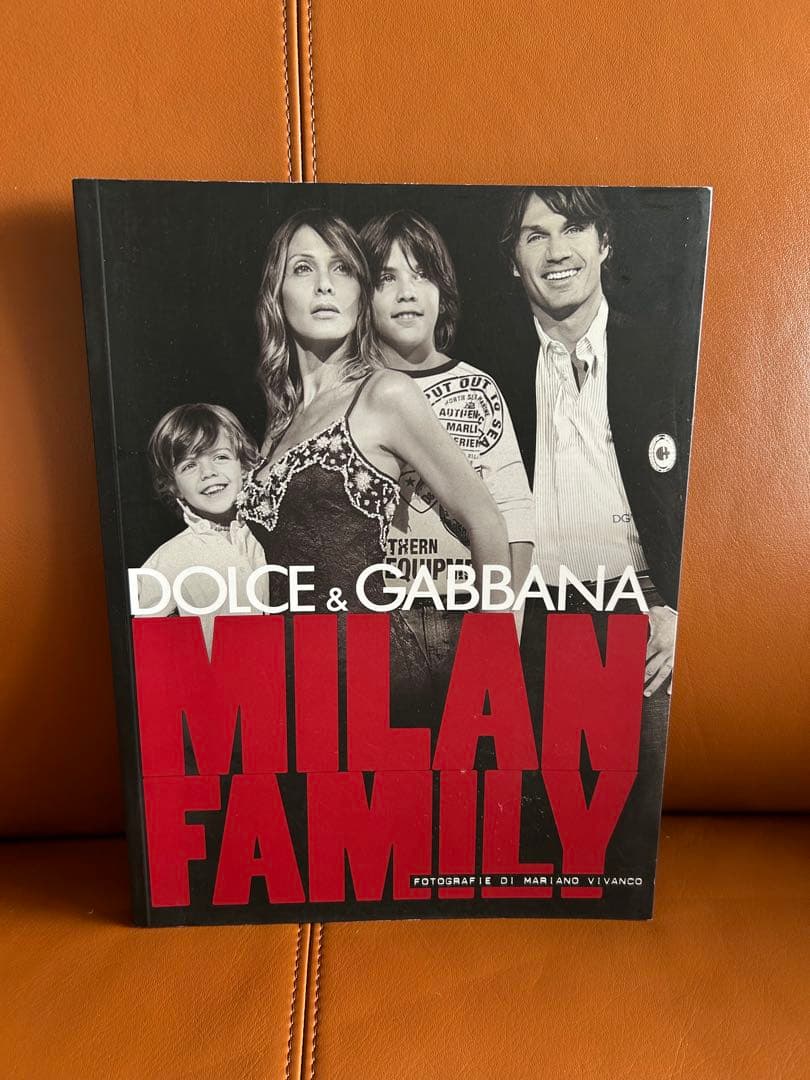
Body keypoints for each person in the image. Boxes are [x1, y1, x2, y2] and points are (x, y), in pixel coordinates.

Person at [236, 208, 510, 720]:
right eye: (303, 268)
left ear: (360, 292)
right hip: (295, 684)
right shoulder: (281, 420)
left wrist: (490, 667)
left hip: (379, 684)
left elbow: (487, 522)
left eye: (342, 268)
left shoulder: (384, 393)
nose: (324, 285)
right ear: (276, 292)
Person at [499, 186, 690, 701]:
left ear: (604, 243)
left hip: (647, 611)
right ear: (514, 261)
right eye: (536, 236)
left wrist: (686, 608)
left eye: (574, 228)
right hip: (531, 618)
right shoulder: (491, 368)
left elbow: (722, 493)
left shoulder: (668, 352)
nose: (557, 252)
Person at [359, 209, 534, 695]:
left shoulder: (477, 389)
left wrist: (503, 627)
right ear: (363, 296)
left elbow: (515, 517)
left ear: (443, 291)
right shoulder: (349, 394)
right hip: (376, 618)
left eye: (422, 275)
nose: (407, 292)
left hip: (463, 614)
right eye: (386, 278)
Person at [138, 403, 269, 652]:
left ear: (243, 466)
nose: (208, 473)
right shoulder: (166, 561)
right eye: (189, 466)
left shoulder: (269, 537)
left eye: (220, 457)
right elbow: (150, 651)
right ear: (173, 486)